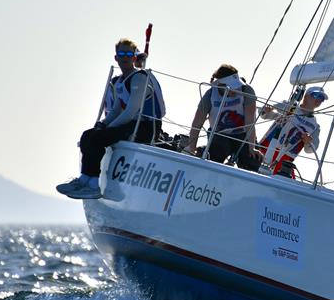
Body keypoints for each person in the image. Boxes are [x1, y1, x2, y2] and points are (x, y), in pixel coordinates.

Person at [56, 38, 165, 199]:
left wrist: (109, 128)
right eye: (121, 54)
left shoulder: (139, 78)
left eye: (129, 54)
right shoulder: (120, 81)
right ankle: (84, 179)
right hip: (131, 123)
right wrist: (103, 124)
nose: (125, 57)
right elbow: (116, 110)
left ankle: (94, 185)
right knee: (88, 135)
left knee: (99, 137)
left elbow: (131, 111)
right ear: (116, 58)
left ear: (134, 58)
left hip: (145, 127)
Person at [183, 64, 262, 171]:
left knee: (253, 159)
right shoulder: (210, 94)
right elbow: (197, 123)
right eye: (232, 86)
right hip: (219, 134)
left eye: (236, 85)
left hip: (243, 134)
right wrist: (192, 148)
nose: (235, 89)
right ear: (220, 84)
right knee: (213, 155)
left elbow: (250, 122)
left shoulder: (246, 90)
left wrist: (252, 147)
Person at [259, 86, 327, 175]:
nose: (318, 99)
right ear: (306, 96)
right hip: (266, 149)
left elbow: (310, 150)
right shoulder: (291, 107)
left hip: (284, 161)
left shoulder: (315, 126)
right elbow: (264, 114)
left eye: (322, 98)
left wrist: (308, 142)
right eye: (316, 95)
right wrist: (266, 110)